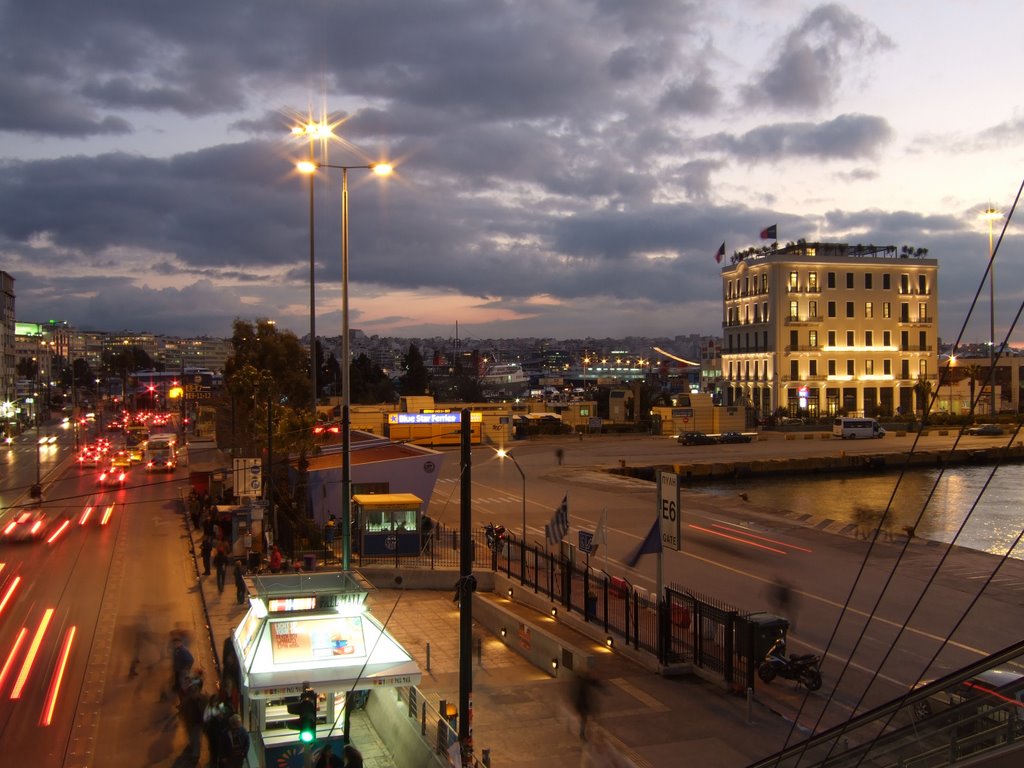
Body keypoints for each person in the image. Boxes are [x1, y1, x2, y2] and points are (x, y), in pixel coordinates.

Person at [203, 689, 232, 768]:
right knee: (214, 747)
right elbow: (205, 719)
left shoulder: (221, 706)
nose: (215, 702)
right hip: (212, 732)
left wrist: (221, 715)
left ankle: (217, 761)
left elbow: (225, 715)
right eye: (214, 701)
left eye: (216, 700)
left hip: (219, 731)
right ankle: (214, 761)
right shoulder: (209, 708)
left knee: (219, 747)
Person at [171, 635, 194, 700]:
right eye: (174, 644)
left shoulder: (183, 651)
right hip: (178, 669)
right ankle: (177, 688)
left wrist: (185, 668)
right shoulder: (177, 650)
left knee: (182, 685)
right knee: (178, 682)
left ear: (180, 643)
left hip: (181, 670)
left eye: (176, 643)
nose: (175, 645)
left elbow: (190, 660)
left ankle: (183, 701)